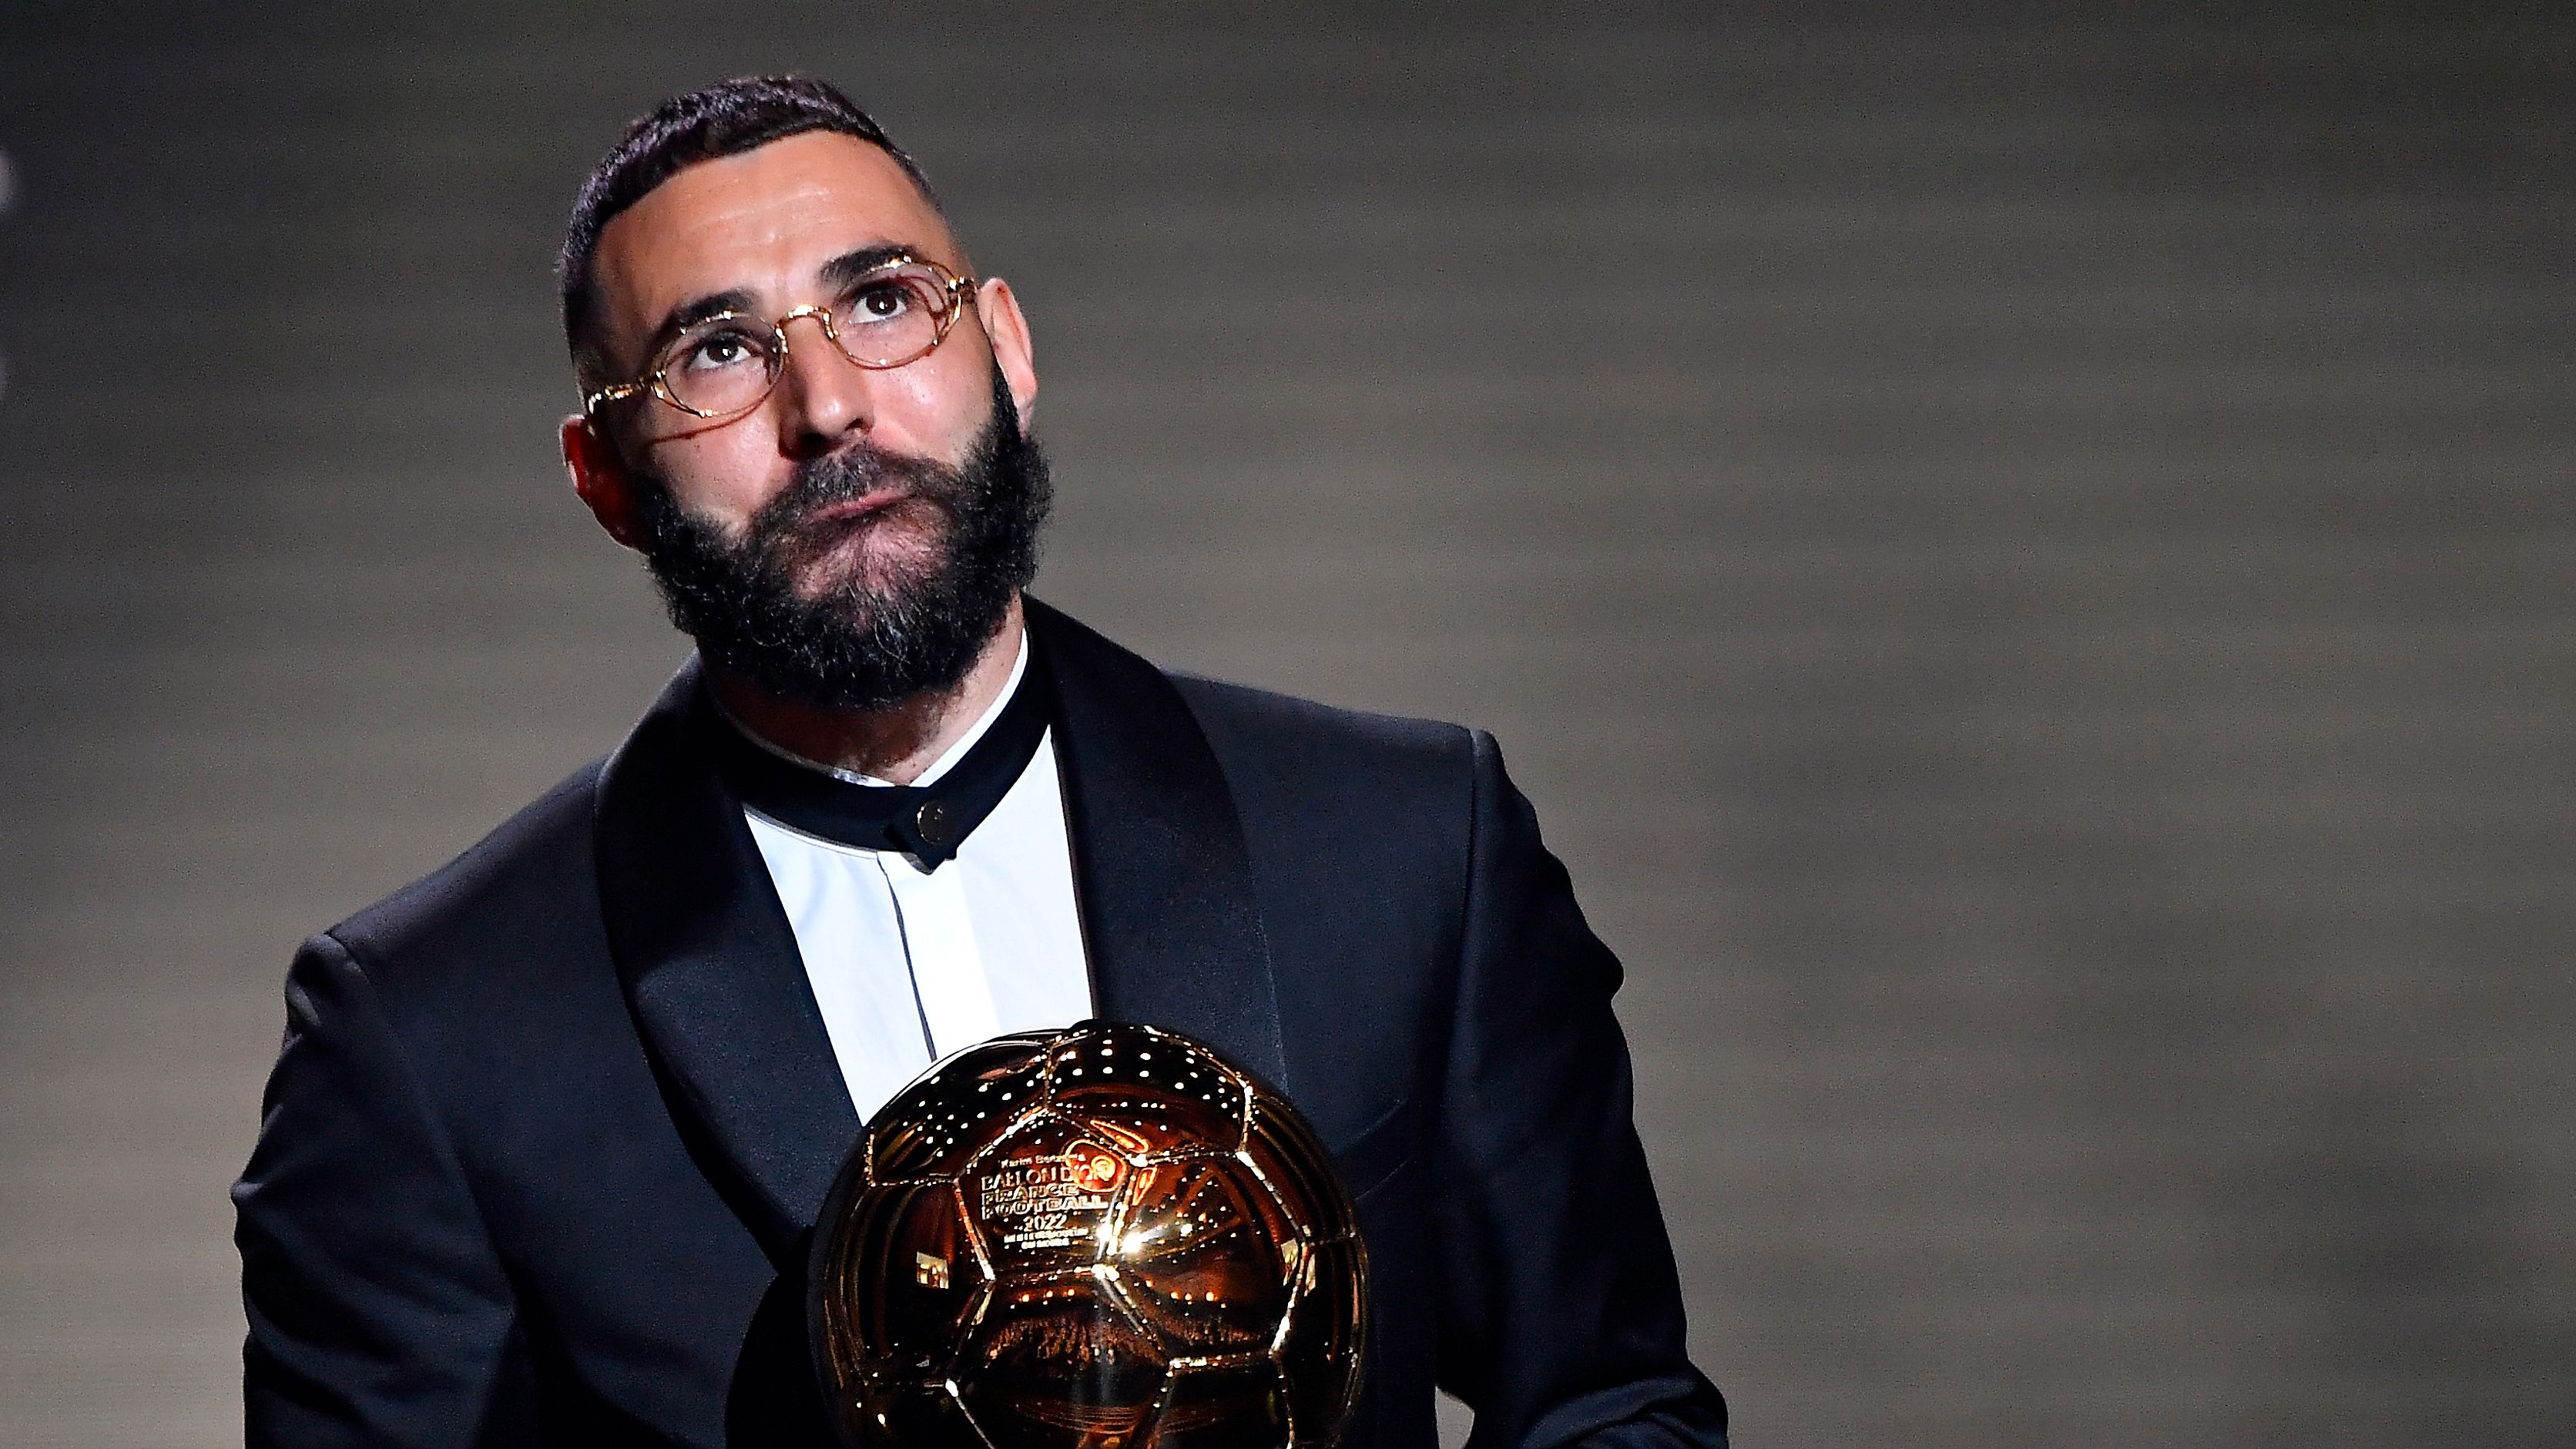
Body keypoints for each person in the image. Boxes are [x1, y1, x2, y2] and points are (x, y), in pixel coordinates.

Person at [232, 75, 1728, 1449]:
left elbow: (1615, 1405)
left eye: (881, 300)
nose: (829, 410)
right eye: (718, 350)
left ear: (1004, 348)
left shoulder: (1409, 847)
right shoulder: (423, 1038)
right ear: (607, 478)